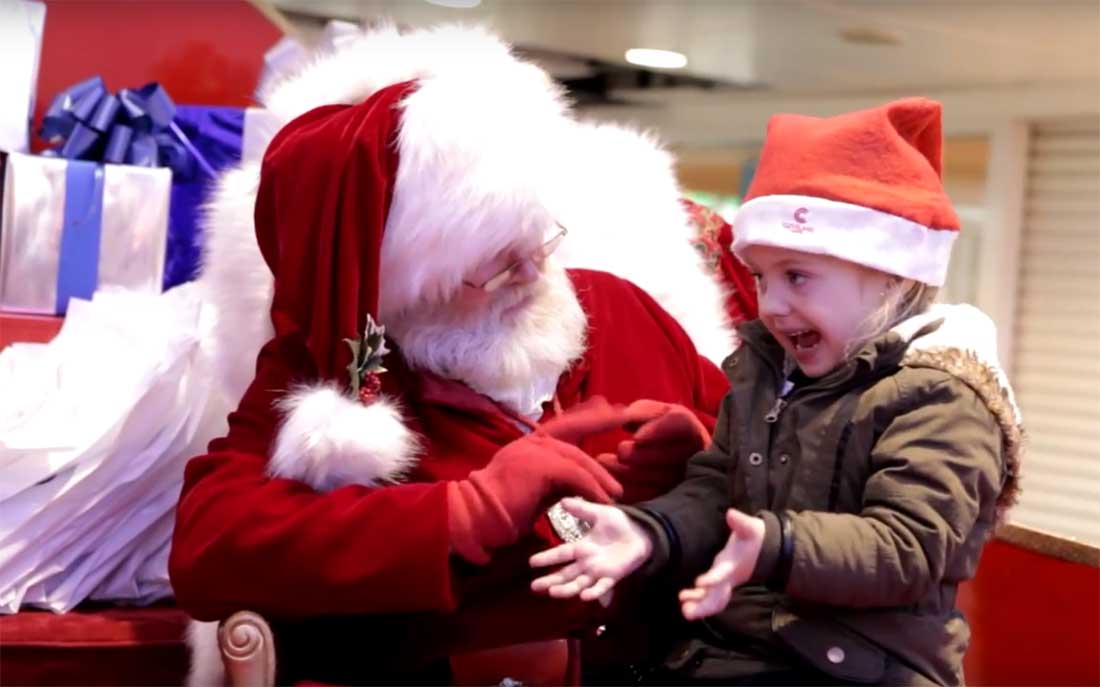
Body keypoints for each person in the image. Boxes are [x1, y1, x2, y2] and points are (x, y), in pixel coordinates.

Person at [169, 24, 750, 685]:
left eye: (539, 242)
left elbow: (786, 476)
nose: (535, 275)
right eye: (497, 266)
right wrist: (464, 512)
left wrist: (707, 458)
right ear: (405, 289)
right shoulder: (336, 376)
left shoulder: (622, 312)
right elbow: (211, 548)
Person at [530, 98, 1024, 686]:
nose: (771, 303)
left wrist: (776, 542)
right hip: (732, 653)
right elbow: (719, 486)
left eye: (797, 276)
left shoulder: (940, 395)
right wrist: (649, 531)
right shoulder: (769, 371)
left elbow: (908, 550)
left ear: (891, 277)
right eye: (762, 277)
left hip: (860, 668)